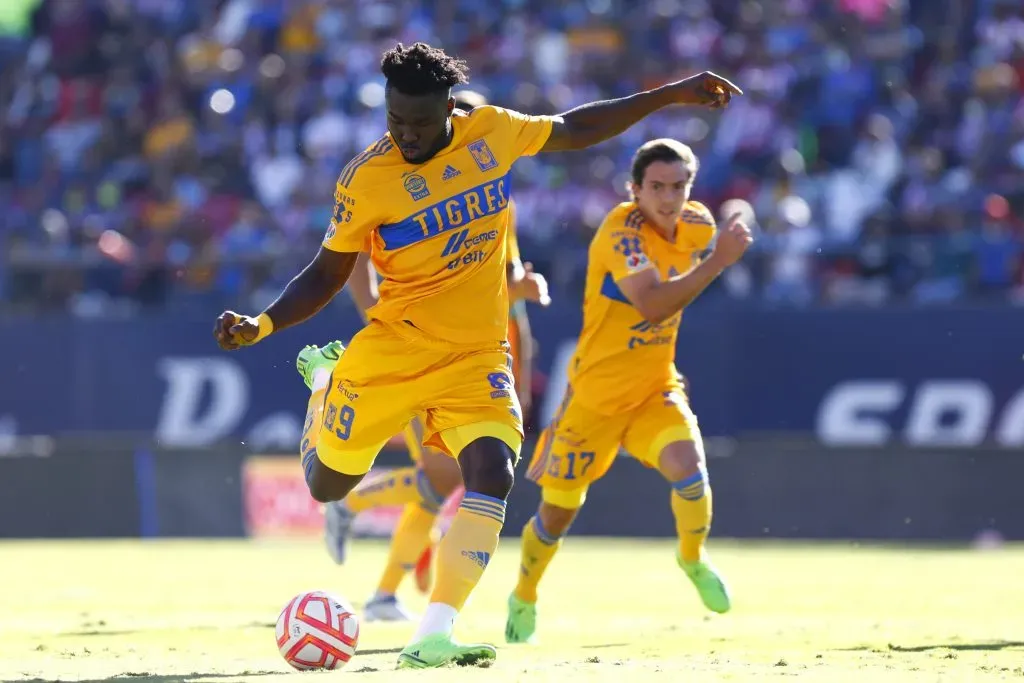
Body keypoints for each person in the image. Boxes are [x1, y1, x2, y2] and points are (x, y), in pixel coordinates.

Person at [213, 41, 740, 669]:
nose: (405, 134)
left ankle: (433, 632)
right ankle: (325, 381)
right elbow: (328, 272)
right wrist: (265, 323)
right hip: (395, 350)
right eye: (394, 120)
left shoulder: (491, 133)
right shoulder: (366, 178)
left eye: (419, 121)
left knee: (492, 471)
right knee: (327, 486)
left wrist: (672, 93)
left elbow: (578, 127)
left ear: (448, 111)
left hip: (476, 356)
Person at [315, 88, 551, 623]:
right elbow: (350, 252)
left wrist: (523, 357)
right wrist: (373, 307)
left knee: (445, 483)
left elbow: (493, 284)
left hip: (478, 359)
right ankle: (360, 529)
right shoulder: (391, 179)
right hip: (419, 353)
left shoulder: (494, 196)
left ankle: (382, 591)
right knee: (444, 481)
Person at [505, 139, 753, 644]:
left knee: (690, 473)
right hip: (592, 399)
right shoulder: (621, 234)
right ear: (634, 189)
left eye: (678, 187)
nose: (667, 198)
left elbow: (731, 217)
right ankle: (524, 595)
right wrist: (719, 261)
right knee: (555, 516)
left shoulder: (696, 224)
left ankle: (692, 558)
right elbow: (653, 305)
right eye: (656, 187)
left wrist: (737, 214)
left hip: (653, 389)